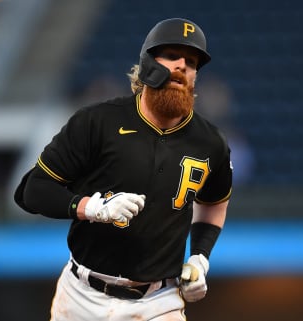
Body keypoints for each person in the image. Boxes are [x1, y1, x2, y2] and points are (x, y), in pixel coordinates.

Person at [14, 17, 232, 321]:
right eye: (171, 55)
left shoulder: (210, 142)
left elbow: (214, 203)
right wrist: (93, 208)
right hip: (82, 296)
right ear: (147, 63)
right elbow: (32, 191)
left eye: (192, 62)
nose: (182, 66)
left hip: (159, 301)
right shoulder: (97, 122)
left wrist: (199, 258)